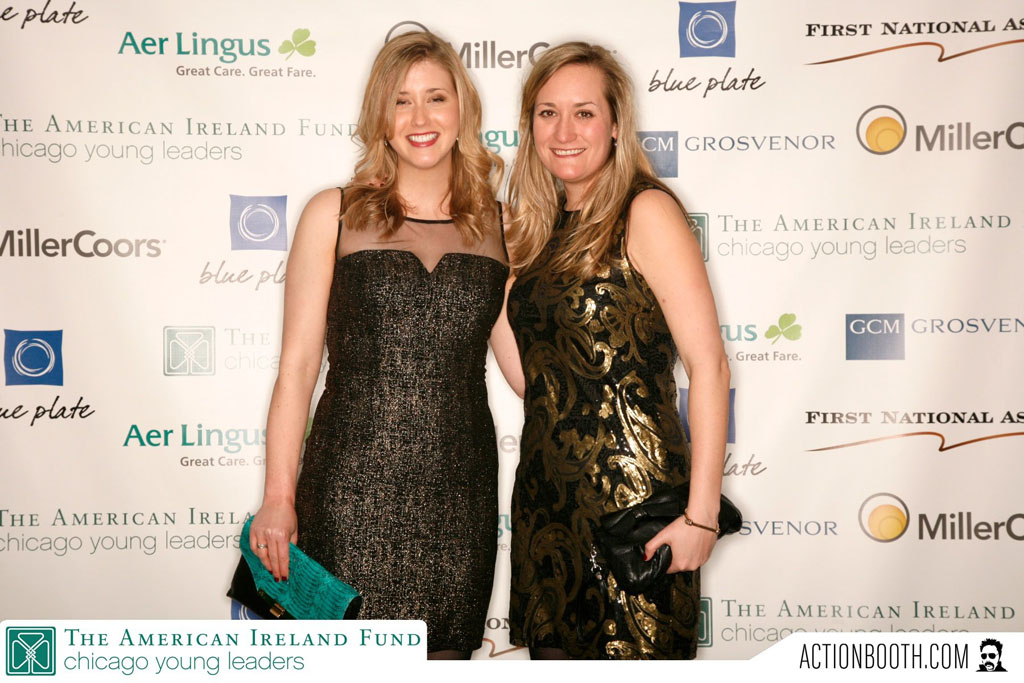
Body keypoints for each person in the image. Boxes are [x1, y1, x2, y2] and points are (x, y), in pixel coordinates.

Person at [246, 31, 508, 660]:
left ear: (462, 109)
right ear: (380, 118)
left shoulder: (501, 225)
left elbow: (527, 373)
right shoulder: (332, 213)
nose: (420, 118)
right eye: (401, 101)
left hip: (460, 493)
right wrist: (278, 497)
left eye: (436, 98)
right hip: (349, 488)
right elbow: (297, 369)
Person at [491, 41, 731, 659]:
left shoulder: (645, 210)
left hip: (636, 512)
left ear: (616, 124)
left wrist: (702, 516)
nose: (564, 131)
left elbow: (709, 366)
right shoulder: (538, 232)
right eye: (547, 113)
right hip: (548, 508)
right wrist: (493, 265)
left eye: (584, 113)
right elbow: (531, 382)